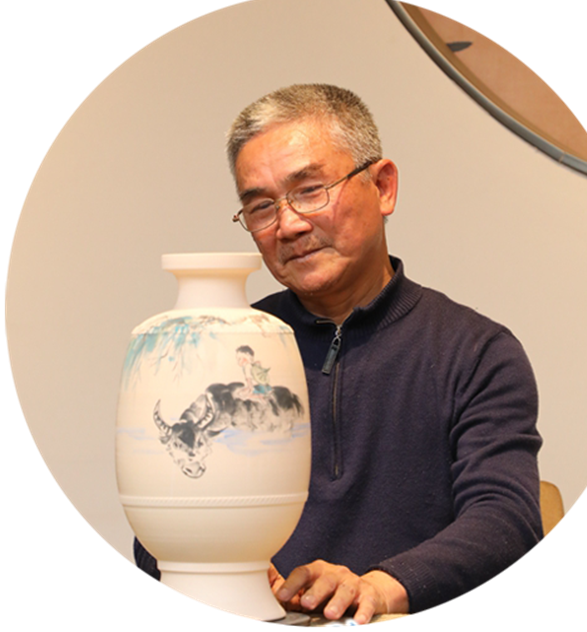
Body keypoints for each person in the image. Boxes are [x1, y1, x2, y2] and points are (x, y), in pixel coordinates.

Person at [135, 83, 543, 623]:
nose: (288, 224)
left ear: (383, 186)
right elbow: (159, 521)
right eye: (261, 207)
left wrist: (380, 588)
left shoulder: (474, 352)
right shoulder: (225, 346)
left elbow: (507, 521)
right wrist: (218, 567)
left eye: (310, 191)